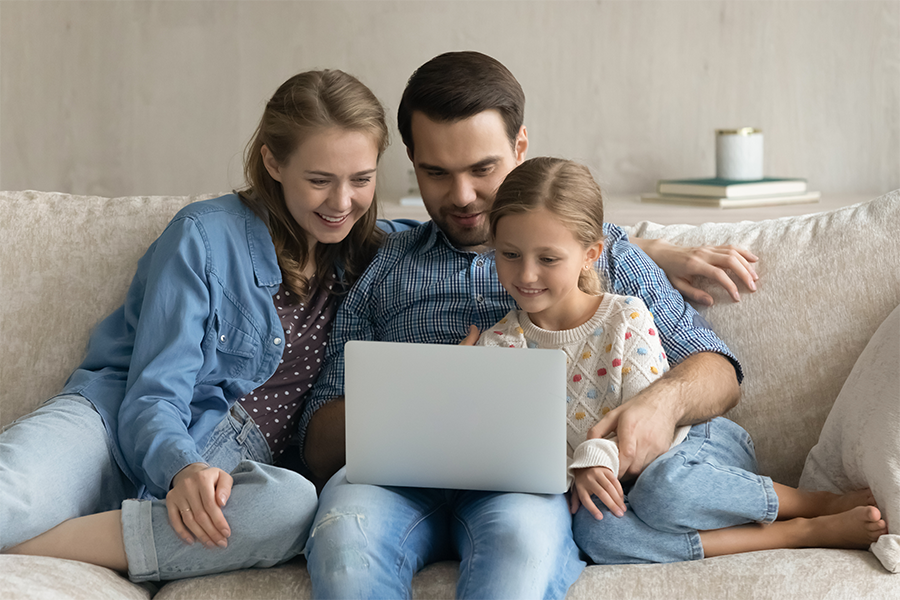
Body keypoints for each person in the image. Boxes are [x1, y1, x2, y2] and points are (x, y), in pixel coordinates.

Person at [300, 51, 756, 599]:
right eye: (436, 173)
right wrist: (433, 390)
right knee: (344, 541)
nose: (463, 196)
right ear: (412, 161)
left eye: (482, 169)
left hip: (526, 491)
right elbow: (317, 443)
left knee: (521, 546)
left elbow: (719, 369)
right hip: (391, 488)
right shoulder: (383, 265)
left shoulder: (600, 255)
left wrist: (661, 403)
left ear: (520, 148)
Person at [0, 69, 413, 583]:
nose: (342, 202)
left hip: (230, 470)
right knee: (9, 496)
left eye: (362, 179)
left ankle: (47, 545)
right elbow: (152, 396)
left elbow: (471, 248)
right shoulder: (203, 235)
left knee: (293, 505)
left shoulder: (383, 259)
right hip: (110, 428)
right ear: (273, 162)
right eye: (319, 180)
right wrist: (182, 467)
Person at [475, 156, 887, 565]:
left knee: (665, 489)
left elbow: (647, 426)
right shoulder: (499, 346)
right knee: (594, 531)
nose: (526, 275)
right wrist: (574, 472)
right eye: (510, 254)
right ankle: (798, 534)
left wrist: (592, 460)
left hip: (689, 448)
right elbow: (524, 454)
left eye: (547, 259)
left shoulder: (624, 316)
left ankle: (811, 504)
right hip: (623, 483)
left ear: (591, 253)